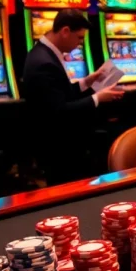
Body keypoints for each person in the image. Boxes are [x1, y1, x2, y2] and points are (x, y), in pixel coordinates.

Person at [22, 9, 124, 184]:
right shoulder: (44, 62)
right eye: (79, 38)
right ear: (65, 31)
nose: (80, 44)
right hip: (57, 147)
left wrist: (87, 81)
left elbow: (58, 93)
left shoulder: (43, 53)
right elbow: (59, 111)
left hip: (59, 142)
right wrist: (98, 98)